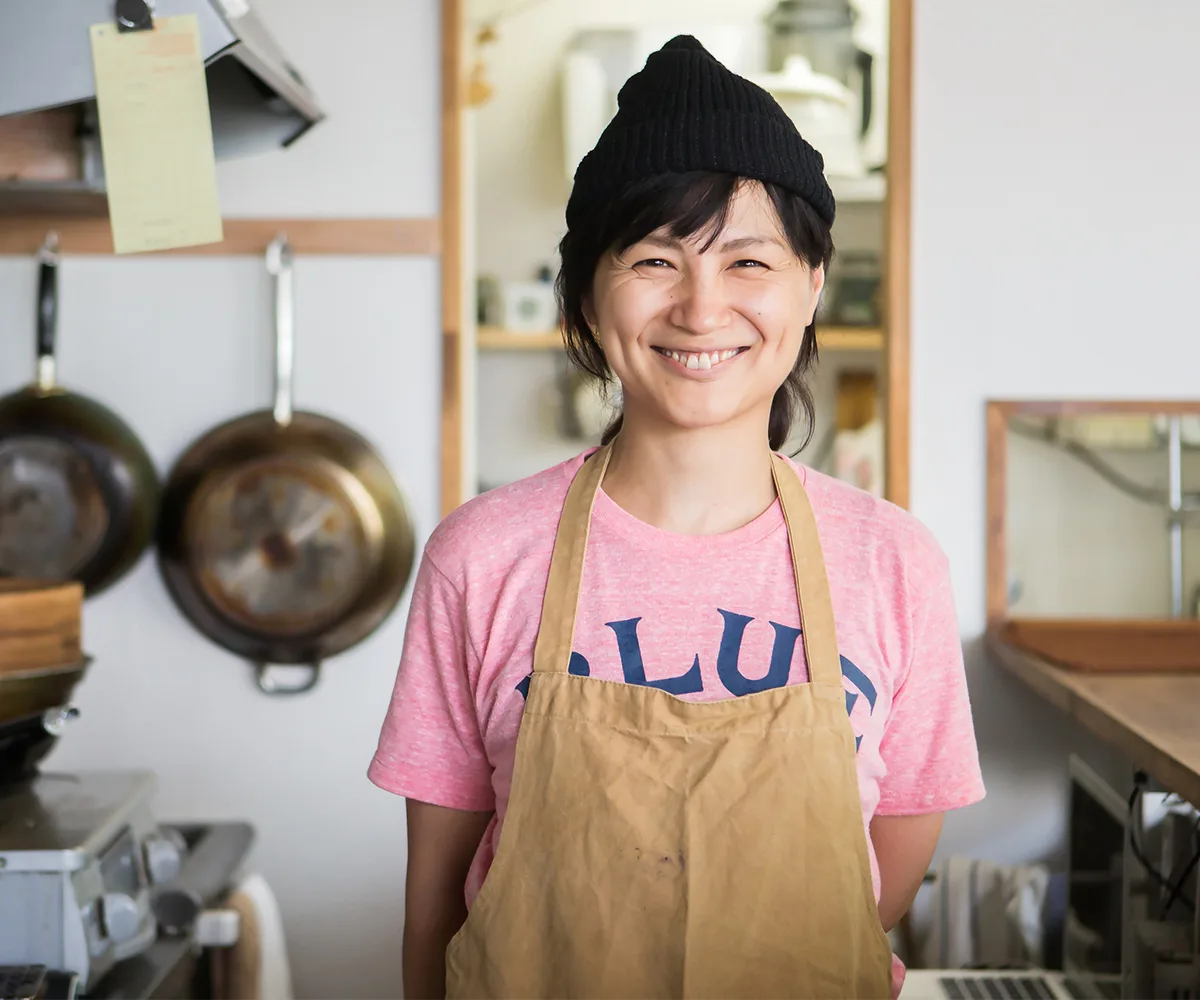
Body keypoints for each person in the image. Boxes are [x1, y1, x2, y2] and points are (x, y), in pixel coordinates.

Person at [369, 35, 984, 1000]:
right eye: (656, 258)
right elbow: (435, 906)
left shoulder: (894, 562)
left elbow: (890, 862)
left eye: (749, 260)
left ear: (811, 285)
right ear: (587, 290)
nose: (702, 307)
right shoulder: (481, 558)